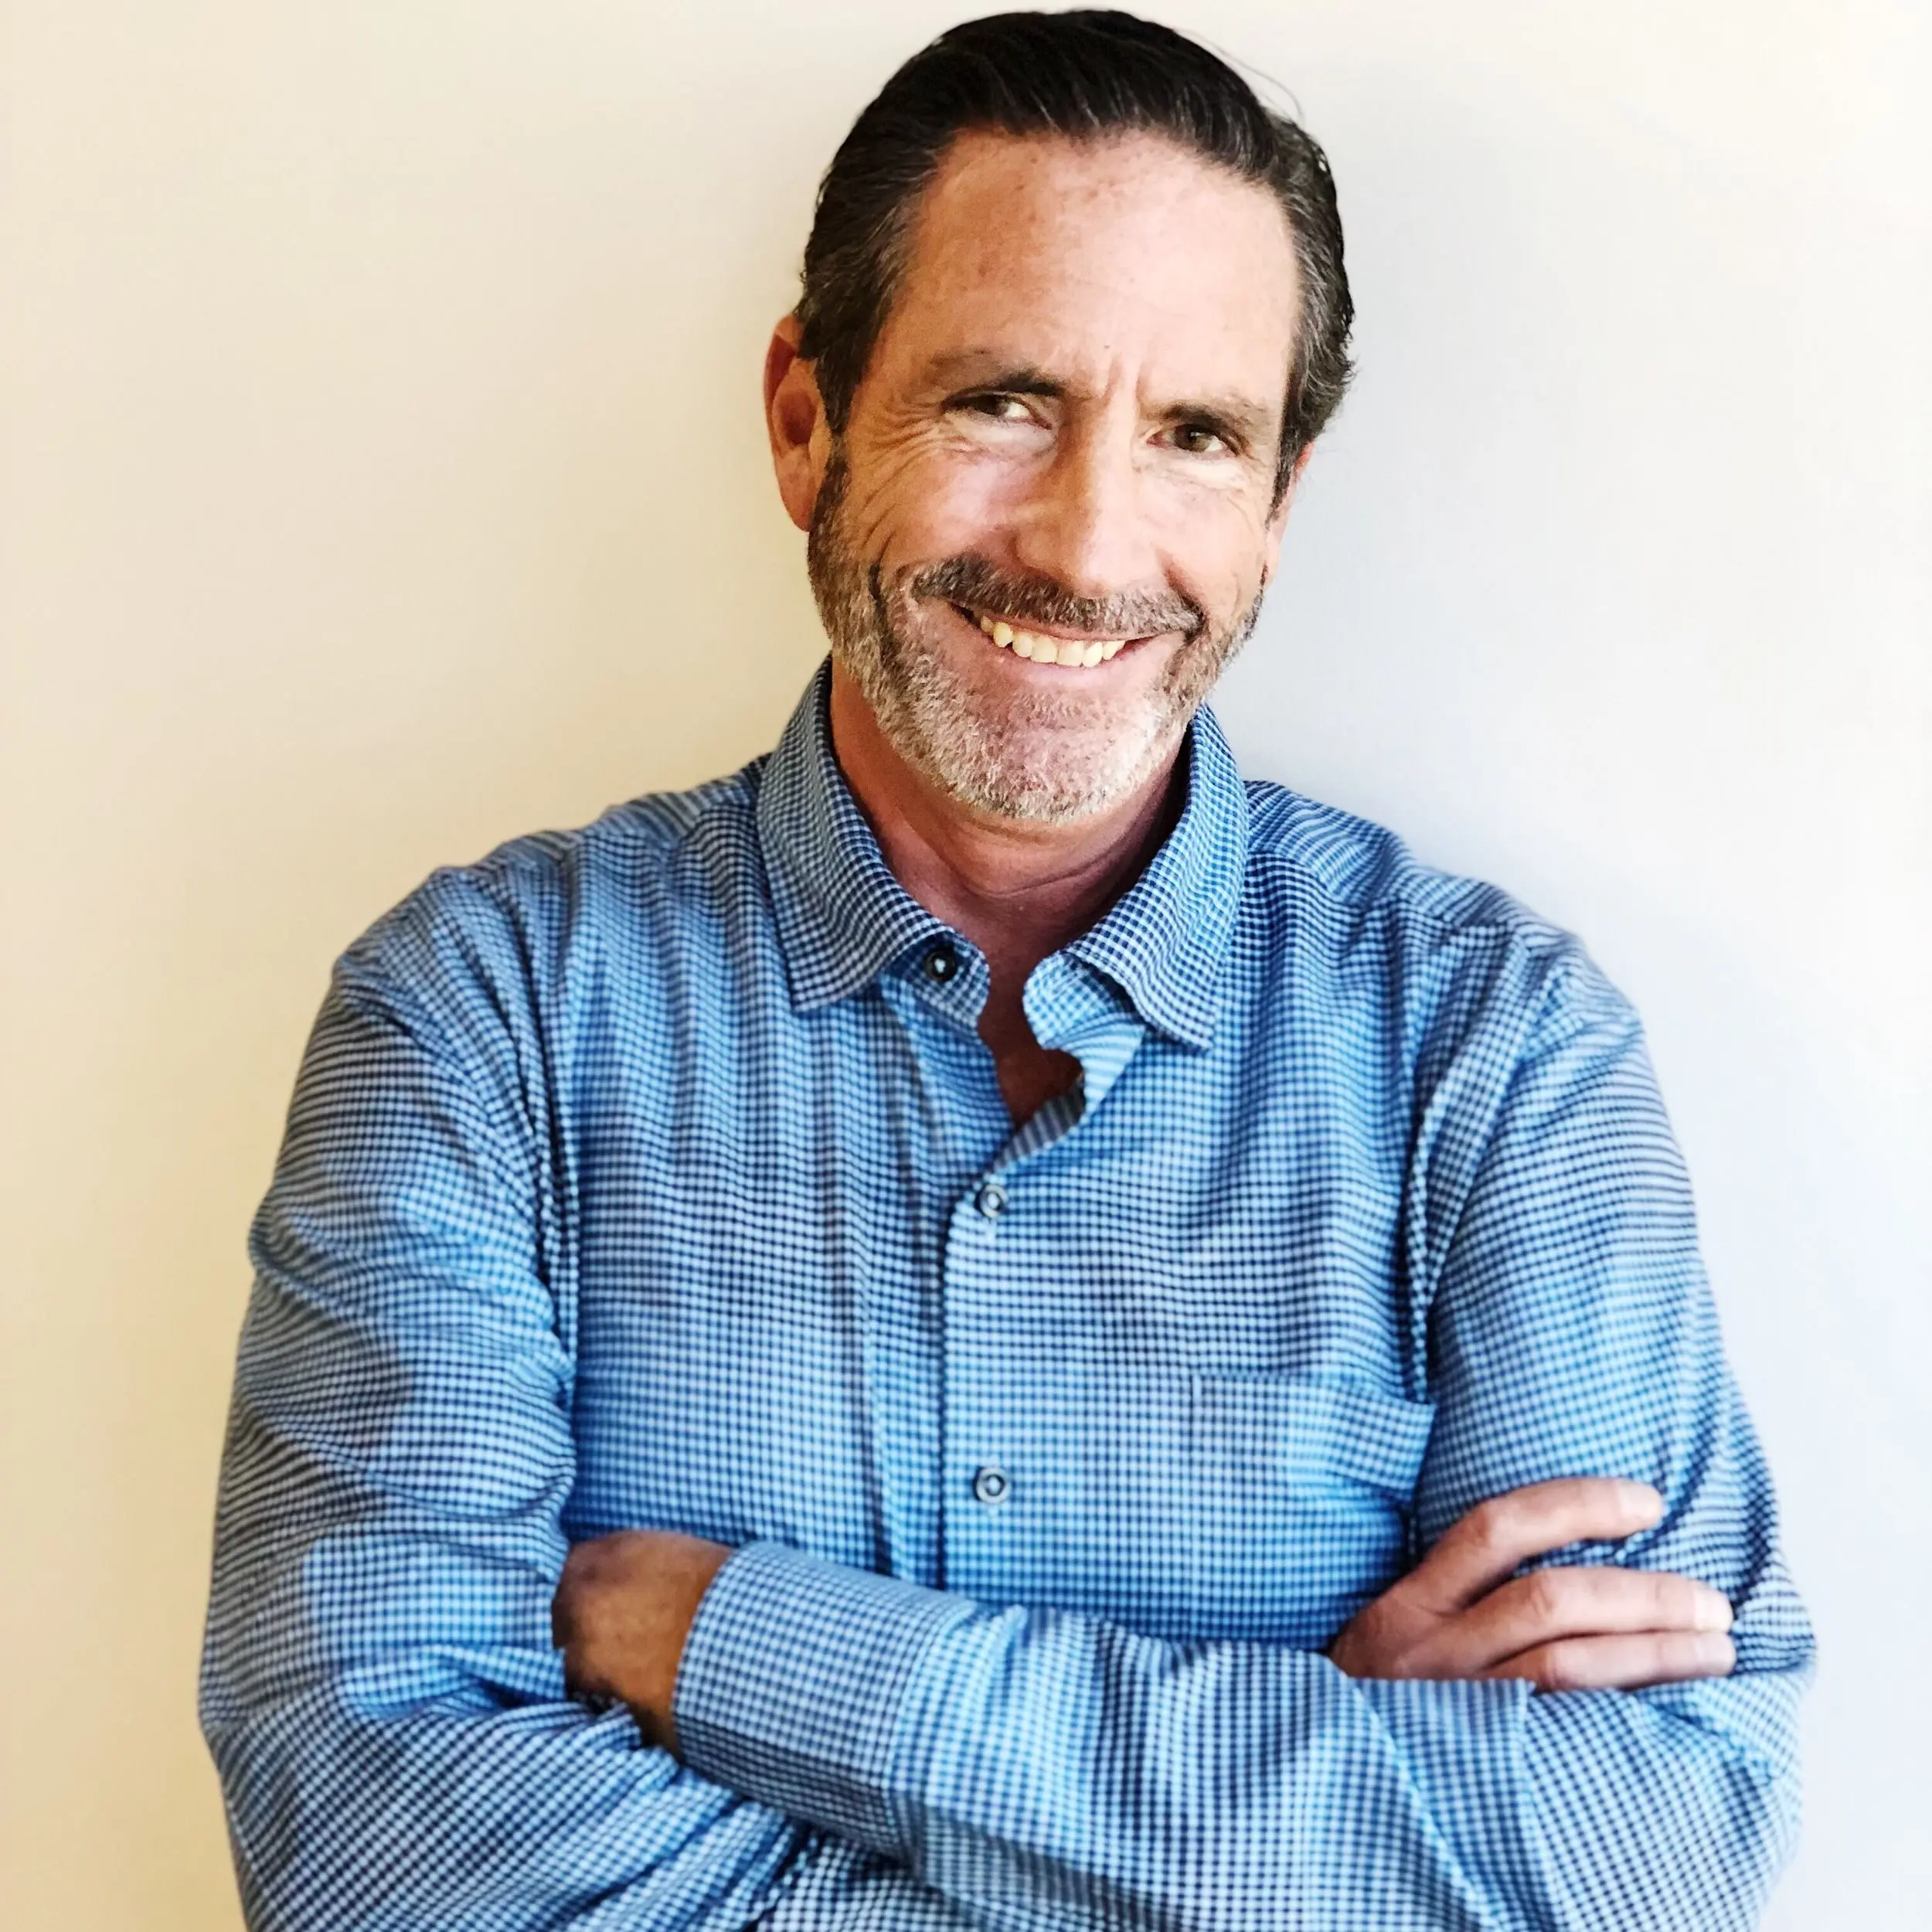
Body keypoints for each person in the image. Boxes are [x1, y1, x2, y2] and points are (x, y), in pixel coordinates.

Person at [200, 12, 1812, 1929]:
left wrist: (741, 1643)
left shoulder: (1499, 1051)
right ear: (805, 420)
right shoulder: (484, 1017)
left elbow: (1651, 1846)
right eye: (1001, 403)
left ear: (1277, 502)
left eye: (1194, 435)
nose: (1085, 543)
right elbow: (374, 1857)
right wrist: (1288, 1790)